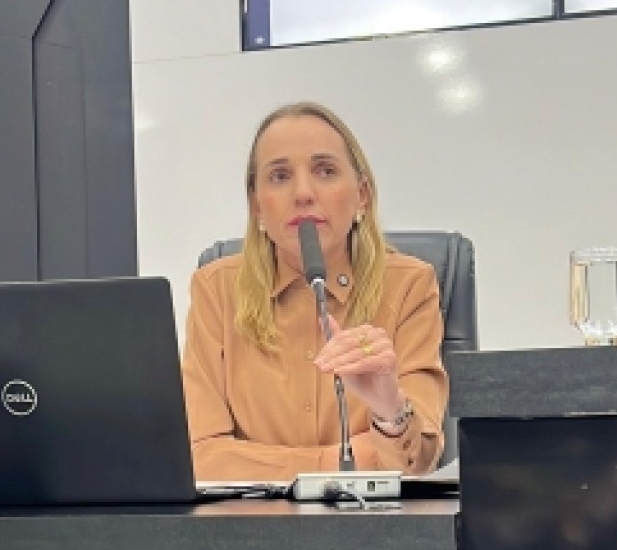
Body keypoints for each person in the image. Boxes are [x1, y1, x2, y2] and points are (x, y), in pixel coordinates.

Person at [182, 101, 448, 481]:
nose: (303, 193)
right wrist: (335, 464)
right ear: (256, 206)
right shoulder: (216, 291)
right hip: (251, 518)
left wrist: (390, 413)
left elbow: (416, 464)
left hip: (372, 518)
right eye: (279, 176)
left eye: (325, 171)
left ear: (362, 195)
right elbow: (200, 457)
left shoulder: (409, 286)